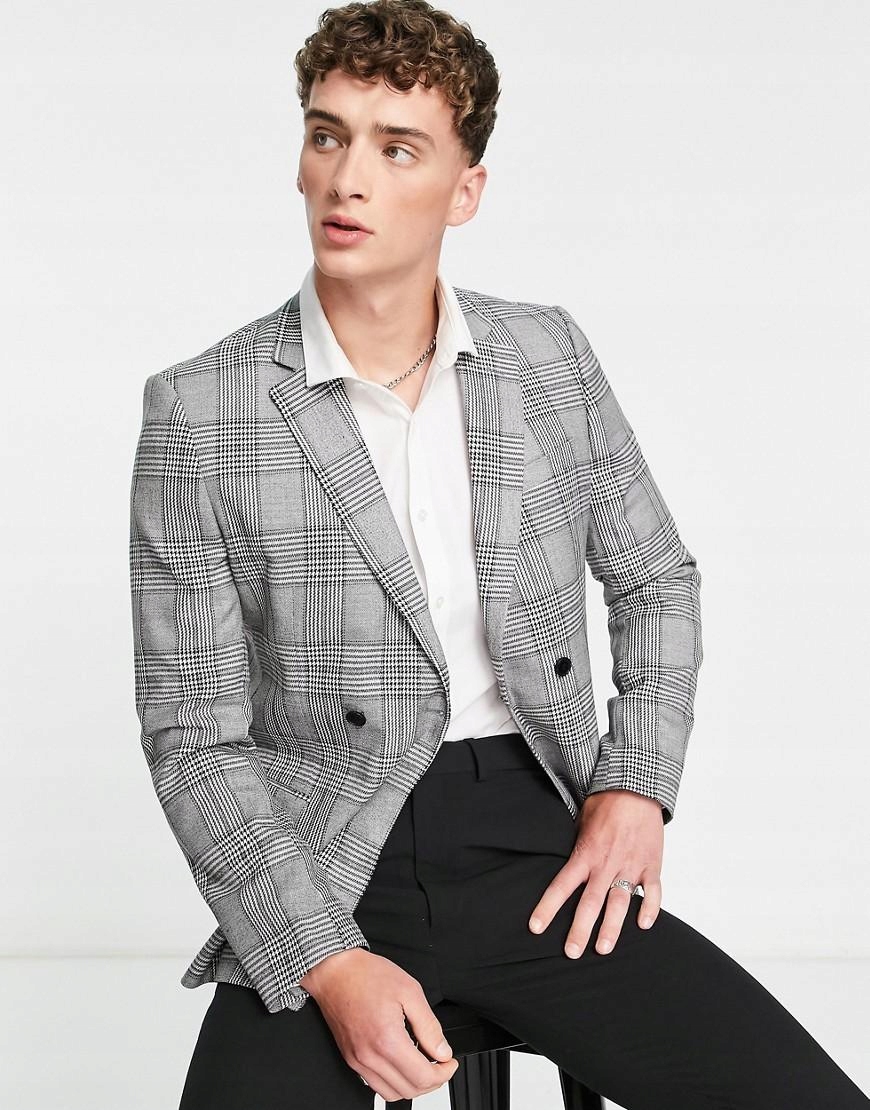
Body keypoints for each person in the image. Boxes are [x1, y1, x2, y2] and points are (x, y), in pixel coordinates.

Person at [127, 1, 869, 1106]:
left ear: (464, 191)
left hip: (535, 850)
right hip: (328, 862)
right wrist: (325, 961)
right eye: (327, 136)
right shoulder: (200, 409)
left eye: (397, 148)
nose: (348, 179)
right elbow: (192, 735)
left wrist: (635, 785)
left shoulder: (545, 355)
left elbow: (657, 580)